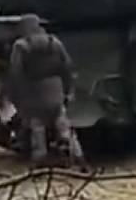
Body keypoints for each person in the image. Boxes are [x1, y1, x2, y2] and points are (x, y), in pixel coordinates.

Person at [8, 14, 81, 166]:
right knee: (62, 121)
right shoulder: (54, 42)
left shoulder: (21, 46)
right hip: (55, 91)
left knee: (38, 127)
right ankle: (73, 151)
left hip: (34, 93)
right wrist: (68, 91)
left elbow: (15, 73)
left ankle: (40, 158)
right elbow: (67, 67)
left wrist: (16, 98)